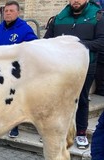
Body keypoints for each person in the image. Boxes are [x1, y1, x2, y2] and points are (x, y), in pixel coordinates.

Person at [44, 0, 104, 149]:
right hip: (60, 67)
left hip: (85, 66)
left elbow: (102, 42)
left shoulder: (98, 17)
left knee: (82, 99)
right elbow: (46, 41)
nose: (76, 1)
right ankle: (57, 132)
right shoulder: (58, 18)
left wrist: (76, 45)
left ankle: (81, 133)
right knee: (58, 100)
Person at [0, 0, 37, 138]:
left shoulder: (25, 29)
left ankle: (14, 127)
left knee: (14, 101)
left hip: (15, 73)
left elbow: (34, 46)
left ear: (18, 13)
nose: (8, 13)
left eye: (11, 11)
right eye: (6, 11)